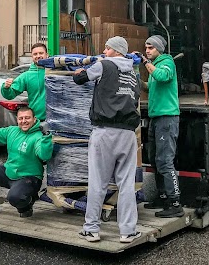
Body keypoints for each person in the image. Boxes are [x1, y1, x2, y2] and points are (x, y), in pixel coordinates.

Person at [72, 36, 142, 244]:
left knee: (98, 183)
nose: (104, 50)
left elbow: (80, 79)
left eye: (107, 48)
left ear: (116, 50)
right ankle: (128, 231)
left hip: (105, 132)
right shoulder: (134, 75)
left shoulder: (104, 65)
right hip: (128, 134)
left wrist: (79, 71)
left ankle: (91, 229)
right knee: (126, 183)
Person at [0, 106, 53, 218]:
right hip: (9, 172)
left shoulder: (39, 136)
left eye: (27, 118)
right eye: (21, 118)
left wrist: (46, 137)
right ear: (17, 120)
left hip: (29, 178)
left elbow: (45, 155)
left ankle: (27, 205)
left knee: (14, 197)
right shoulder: (12, 131)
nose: (24, 121)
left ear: (34, 119)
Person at [134, 34, 183, 218]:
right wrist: (138, 83)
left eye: (150, 48)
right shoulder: (156, 65)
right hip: (156, 118)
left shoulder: (167, 63)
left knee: (165, 161)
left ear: (159, 49)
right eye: (146, 48)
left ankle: (175, 202)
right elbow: (151, 85)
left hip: (167, 119)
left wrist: (145, 61)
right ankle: (162, 197)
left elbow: (161, 76)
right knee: (155, 160)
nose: (147, 51)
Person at [2, 43, 48, 121]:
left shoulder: (56, 72)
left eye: (41, 53)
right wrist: (6, 88)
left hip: (58, 121)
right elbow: (10, 95)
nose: (38, 56)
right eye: (35, 54)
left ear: (47, 55)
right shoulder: (26, 76)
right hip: (38, 121)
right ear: (32, 57)